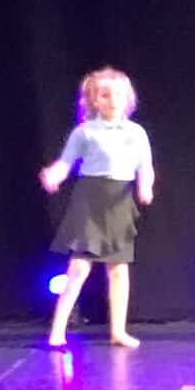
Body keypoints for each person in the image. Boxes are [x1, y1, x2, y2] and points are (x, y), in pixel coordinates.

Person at [41, 68, 155, 348]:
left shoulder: (136, 133)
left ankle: (118, 331)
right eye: (105, 95)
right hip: (90, 200)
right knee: (79, 267)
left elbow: (145, 166)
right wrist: (54, 175)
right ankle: (57, 330)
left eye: (118, 95)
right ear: (94, 100)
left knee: (118, 267)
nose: (113, 100)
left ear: (127, 98)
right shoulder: (85, 132)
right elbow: (66, 162)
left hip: (119, 200)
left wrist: (145, 187)